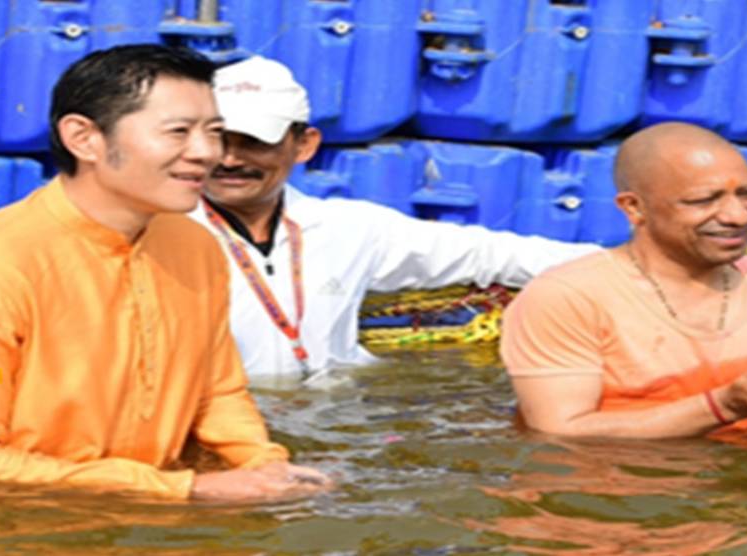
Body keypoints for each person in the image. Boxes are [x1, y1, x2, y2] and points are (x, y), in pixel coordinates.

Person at [0, 44, 330, 501]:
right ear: (84, 139)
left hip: (157, 515)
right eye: (178, 132)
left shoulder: (194, 246)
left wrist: (263, 462)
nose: (208, 153)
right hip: (27, 525)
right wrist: (189, 488)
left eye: (214, 132)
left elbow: (216, 393)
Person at [190, 56, 600, 381]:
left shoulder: (350, 229)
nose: (230, 159)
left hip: (332, 415)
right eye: (218, 140)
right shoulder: (162, 232)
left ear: (304, 145)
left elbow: (491, 254)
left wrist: (634, 268)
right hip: (229, 417)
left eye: (255, 143)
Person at [500, 122, 747, 438]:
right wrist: (725, 405)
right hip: (616, 490)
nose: (738, 215)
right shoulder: (568, 295)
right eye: (704, 200)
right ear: (634, 208)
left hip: (740, 491)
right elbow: (558, 432)